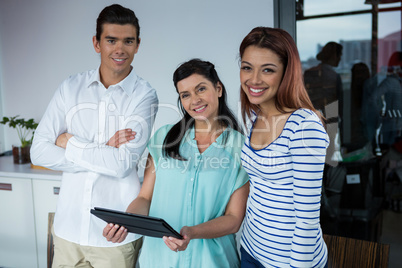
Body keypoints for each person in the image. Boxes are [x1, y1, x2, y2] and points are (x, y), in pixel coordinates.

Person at [30, 4, 158, 267]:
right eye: (111, 40)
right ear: (97, 43)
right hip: (67, 231)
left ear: (137, 45)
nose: (119, 49)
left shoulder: (144, 96)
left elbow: (122, 165)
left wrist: (69, 142)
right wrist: (102, 148)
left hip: (114, 237)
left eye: (127, 41)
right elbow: (39, 151)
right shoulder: (70, 88)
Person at [103, 59, 249, 267]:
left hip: (212, 261)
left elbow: (234, 219)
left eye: (201, 89)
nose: (195, 100)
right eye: (185, 95)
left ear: (218, 89)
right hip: (160, 258)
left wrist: (192, 233)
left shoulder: (241, 148)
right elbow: (145, 198)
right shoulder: (164, 138)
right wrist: (127, 222)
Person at [238, 27, 328, 268]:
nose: (254, 79)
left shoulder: (304, 126)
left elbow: (307, 221)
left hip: (290, 261)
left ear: (287, 73)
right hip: (250, 249)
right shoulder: (253, 117)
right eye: (247, 67)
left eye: (267, 69)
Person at [304, 41, 343, 166]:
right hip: (330, 122)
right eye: (339, 55)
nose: (340, 59)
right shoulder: (334, 76)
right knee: (328, 162)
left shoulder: (309, 73)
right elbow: (338, 104)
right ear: (333, 56)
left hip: (310, 122)